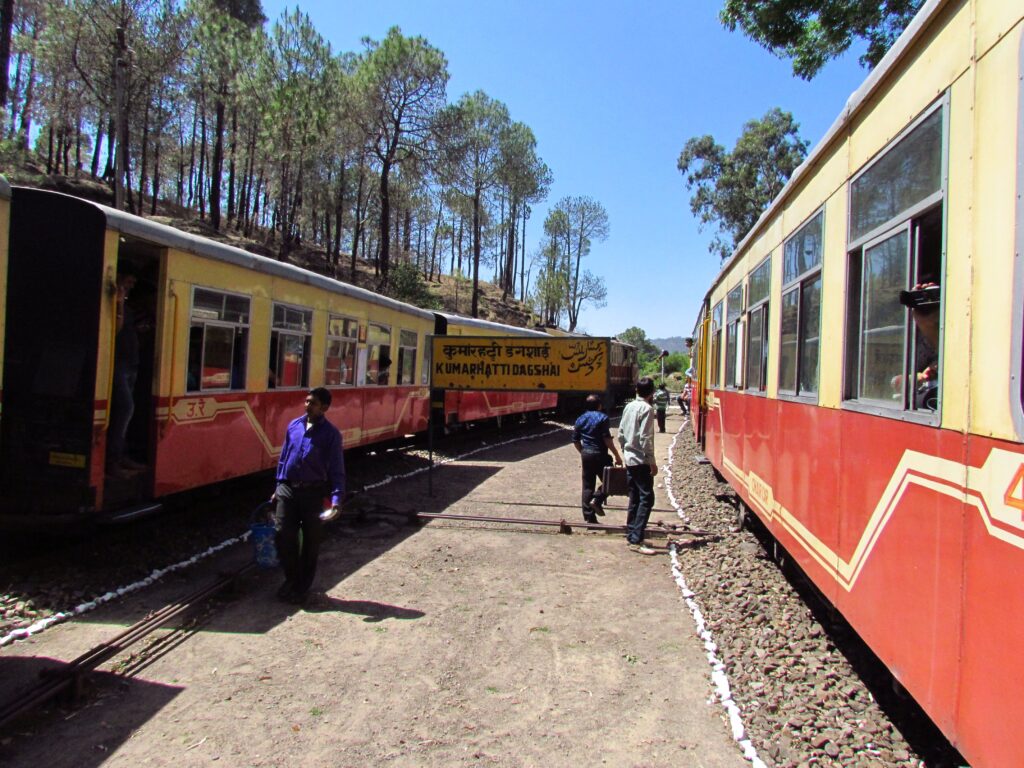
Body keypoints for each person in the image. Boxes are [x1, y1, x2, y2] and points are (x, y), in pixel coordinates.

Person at [273, 387, 346, 604]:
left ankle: (300, 587)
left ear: (324, 408)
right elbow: (284, 458)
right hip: (288, 488)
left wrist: (336, 501)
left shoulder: (331, 435)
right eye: (306, 401)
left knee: (311, 541)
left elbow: (337, 470)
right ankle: (292, 579)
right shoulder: (294, 425)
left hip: (313, 491)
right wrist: (277, 486)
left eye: (312, 403)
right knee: (282, 534)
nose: (307, 405)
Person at [107, 266, 144, 478]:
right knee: (124, 410)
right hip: (118, 365)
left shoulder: (129, 307)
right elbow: (115, 329)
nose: (129, 287)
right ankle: (113, 461)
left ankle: (122, 456)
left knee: (126, 413)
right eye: (128, 282)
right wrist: (119, 303)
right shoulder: (116, 304)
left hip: (131, 365)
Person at [618, 377, 658, 555]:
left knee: (634, 496)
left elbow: (620, 433)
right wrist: (652, 461)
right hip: (641, 460)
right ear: (652, 392)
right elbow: (645, 438)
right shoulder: (647, 409)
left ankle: (631, 532)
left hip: (629, 457)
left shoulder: (629, 406)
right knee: (647, 498)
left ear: (636, 390)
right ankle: (636, 538)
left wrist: (625, 451)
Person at [572, 394, 623, 524]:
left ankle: (590, 518)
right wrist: (617, 455)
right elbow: (607, 439)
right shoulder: (603, 418)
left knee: (588, 486)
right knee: (610, 481)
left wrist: (583, 452)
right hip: (600, 453)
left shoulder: (580, 419)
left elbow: (576, 440)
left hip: (586, 454)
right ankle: (597, 499)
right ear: (599, 405)